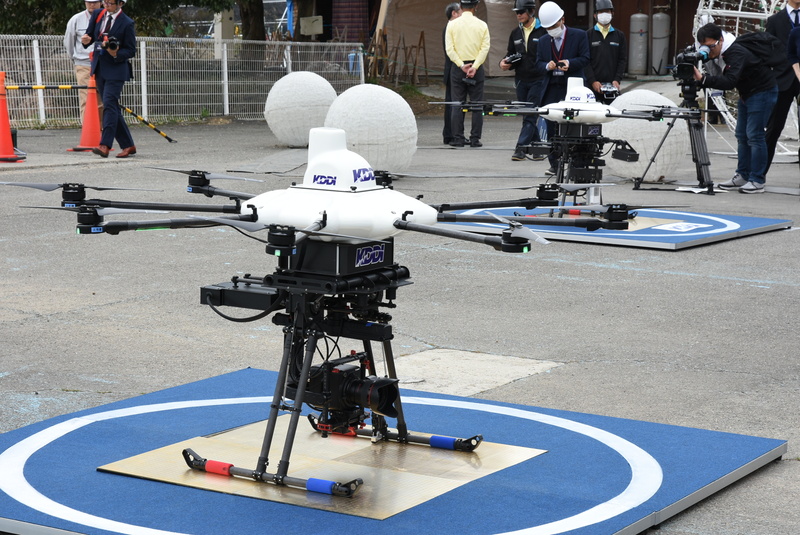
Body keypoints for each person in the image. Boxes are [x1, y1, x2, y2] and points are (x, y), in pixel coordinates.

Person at [693, 23, 778, 194]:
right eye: (704, 47)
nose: (709, 51)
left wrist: (703, 79)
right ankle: (743, 175)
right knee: (741, 135)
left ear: (721, 40)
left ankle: (757, 180)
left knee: (755, 135)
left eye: (711, 46)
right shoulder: (719, 51)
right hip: (747, 93)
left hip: (762, 91)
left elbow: (730, 81)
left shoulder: (736, 51)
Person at [535, 1, 590, 174]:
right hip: (552, 87)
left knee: (574, 125)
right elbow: (538, 63)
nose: (552, 30)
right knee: (551, 126)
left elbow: (585, 58)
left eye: (554, 26)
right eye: (548, 28)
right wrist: (547, 66)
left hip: (572, 88)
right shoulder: (543, 41)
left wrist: (569, 63)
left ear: (562, 20)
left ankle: (576, 162)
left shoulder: (579, 35)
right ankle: (554, 163)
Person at [81, 0, 137, 158]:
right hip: (100, 67)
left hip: (117, 70)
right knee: (112, 107)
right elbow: (90, 36)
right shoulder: (98, 14)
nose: (106, 5)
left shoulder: (127, 23)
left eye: (110, 3)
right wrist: (86, 40)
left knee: (109, 104)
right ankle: (128, 145)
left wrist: (116, 53)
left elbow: (131, 50)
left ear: (120, 4)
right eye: (105, 2)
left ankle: (105, 144)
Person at [500, 0, 547, 161]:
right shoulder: (515, 33)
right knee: (526, 114)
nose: (518, 15)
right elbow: (510, 53)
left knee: (530, 114)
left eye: (521, 12)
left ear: (531, 11)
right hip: (521, 79)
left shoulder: (544, 31)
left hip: (539, 79)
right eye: (516, 12)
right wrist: (504, 63)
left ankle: (520, 148)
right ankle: (538, 148)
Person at [444, 0, 491, 148]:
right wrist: (475, 66)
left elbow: (449, 49)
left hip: (458, 68)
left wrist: (461, 65)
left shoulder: (452, 25)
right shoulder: (482, 25)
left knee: (457, 103)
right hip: (476, 67)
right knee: (477, 104)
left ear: (460, 6)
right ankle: (475, 139)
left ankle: (458, 138)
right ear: (476, 6)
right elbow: (485, 48)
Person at [763, 0, 800, 175]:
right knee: (773, 130)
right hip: (781, 80)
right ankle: (758, 174)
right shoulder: (775, 21)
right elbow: (766, 51)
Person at [64, 0, 104, 123]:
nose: (92, 4)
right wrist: (75, 59)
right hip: (84, 63)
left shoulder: (107, 18)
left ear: (101, 2)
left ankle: (101, 128)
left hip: (103, 63)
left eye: (95, 2)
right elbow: (69, 41)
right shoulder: (76, 19)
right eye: (89, 2)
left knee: (102, 99)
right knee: (86, 98)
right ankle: (87, 128)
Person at [584, 0, 627, 104]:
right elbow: (585, 61)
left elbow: (622, 60)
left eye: (607, 11)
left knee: (614, 112)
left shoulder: (619, 36)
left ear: (612, 13)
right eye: (601, 12)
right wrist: (593, 81)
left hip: (612, 86)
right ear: (595, 15)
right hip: (592, 87)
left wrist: (617, 79)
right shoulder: (587, 35)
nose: (604, 14)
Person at [442, 3, 462, 145]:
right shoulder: (449, 28)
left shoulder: (452, 28)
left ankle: (450, 134)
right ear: (454, 13)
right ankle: (451, 134)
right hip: (452, 71)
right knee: (452, 104)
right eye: (461, 11)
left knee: (453, 104)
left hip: (453, 70)